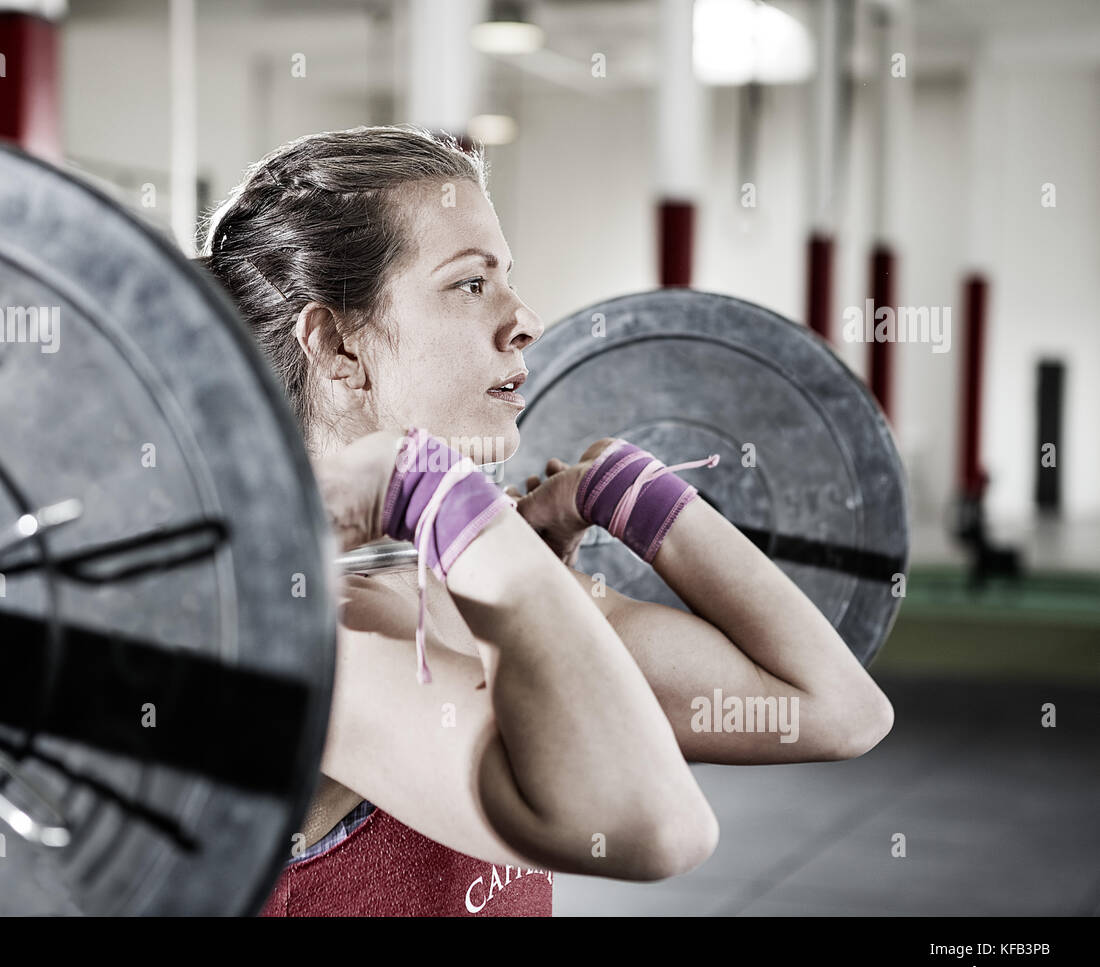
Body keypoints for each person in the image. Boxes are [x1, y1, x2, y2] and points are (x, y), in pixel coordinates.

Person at [198, 125, 894, 917]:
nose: (524, 318)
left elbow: (838, 709)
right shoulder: (313, 634)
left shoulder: (472, 585)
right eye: (470, 284)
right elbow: (659, 828)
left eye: (508, 280)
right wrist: (451, 502)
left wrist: (634, 493)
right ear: (336, 348)